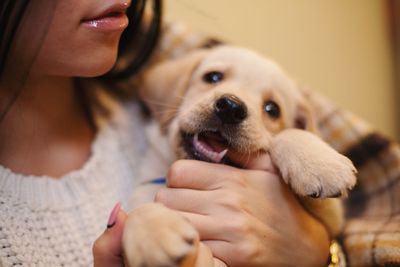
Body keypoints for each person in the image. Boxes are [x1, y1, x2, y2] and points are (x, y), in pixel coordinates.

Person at [0, 1, 398, 267]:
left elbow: (331, 205)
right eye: (213, 78)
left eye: (272, 109)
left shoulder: (135, 93)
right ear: (178, 86)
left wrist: (315, 252)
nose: (231, 103)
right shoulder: (151, 150)